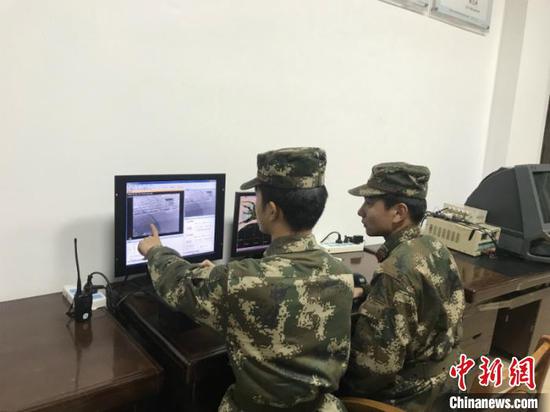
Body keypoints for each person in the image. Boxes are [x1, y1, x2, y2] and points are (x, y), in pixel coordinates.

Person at [138, 147, 354, 412]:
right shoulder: (342, 274)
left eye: (257, 196)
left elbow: (179, 284)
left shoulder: (241, 281)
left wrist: (155, 251)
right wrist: (225, 276)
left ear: (271, 210)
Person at [341, 162, 465, 411]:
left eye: (369, 203)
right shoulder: (435, 246)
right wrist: (369, 293)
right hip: (449, 381)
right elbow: (421, 299)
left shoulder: (394, 272)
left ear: (398, 212)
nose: (360, 212)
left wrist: (336, 381)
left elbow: (375, 371)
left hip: (410, 398)